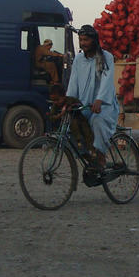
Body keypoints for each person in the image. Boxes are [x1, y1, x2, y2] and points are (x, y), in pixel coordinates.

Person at [66, 25, 118, 170]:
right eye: (81, 40)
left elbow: (107, 80)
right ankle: (88, 156)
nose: (83, 43)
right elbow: (73, 82)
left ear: (94, 40)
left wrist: (99, 99)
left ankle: (101, 157)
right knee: (73, 127)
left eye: (86, 40)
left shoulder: (106, 57)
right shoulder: (78, 60)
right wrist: (69, 101)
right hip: (84, 104)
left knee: (97, 122)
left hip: (104, 105)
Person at [48, 84, 95, 159]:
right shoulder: (55, 105)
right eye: (53, 100)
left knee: (87, 134)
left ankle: (92, 152)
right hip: (69, 126)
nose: (55, 102)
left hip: (80, 122)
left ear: (64, 96)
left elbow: (80, 105)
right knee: (71, 137)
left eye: (57, 100)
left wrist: (72, 107)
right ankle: (81, 152)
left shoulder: (70, 100)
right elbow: (51, 117)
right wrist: (60, 114)